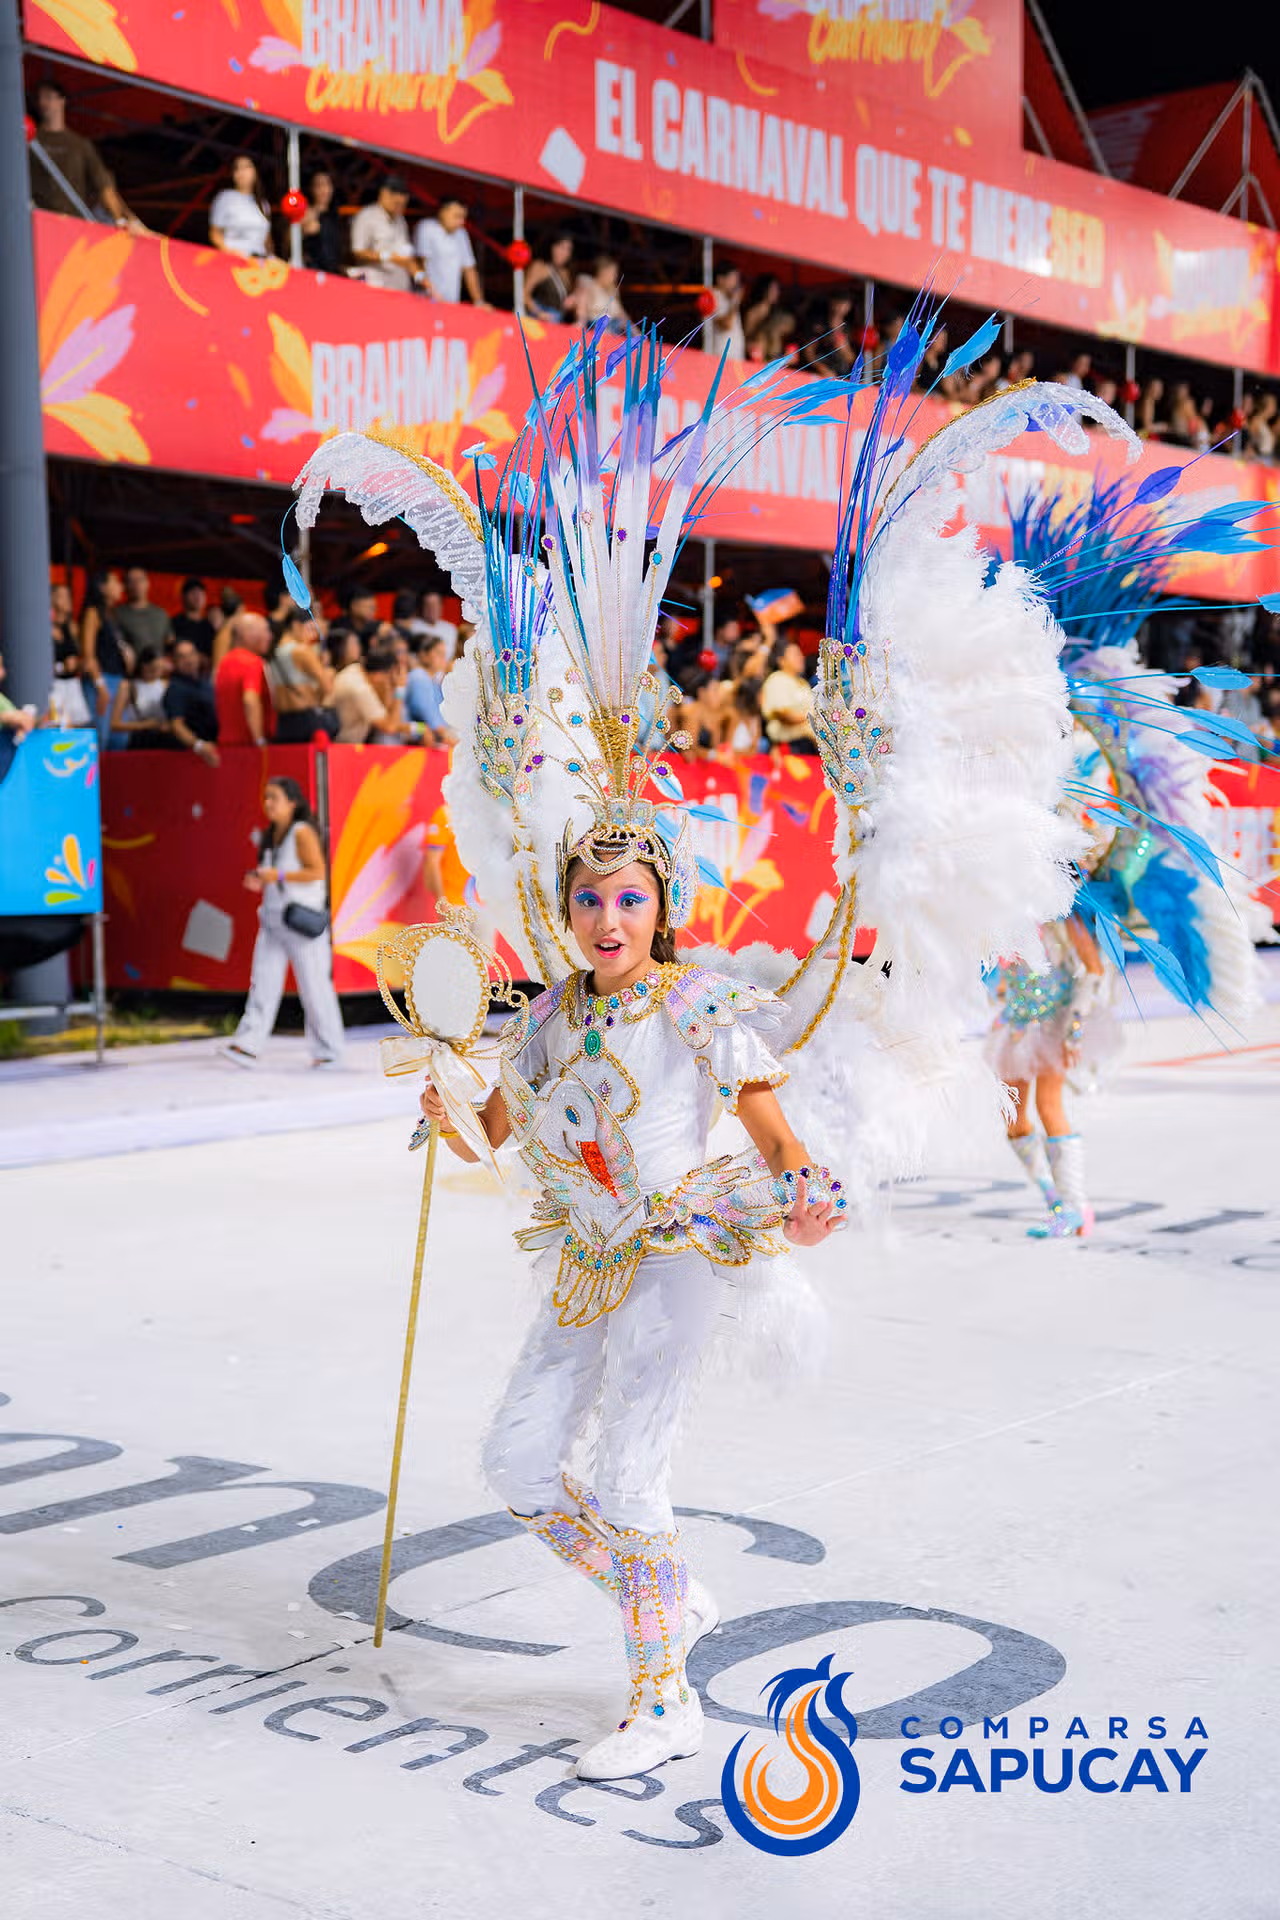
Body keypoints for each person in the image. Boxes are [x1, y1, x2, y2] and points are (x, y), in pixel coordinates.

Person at [988, 916, 1108, 1237]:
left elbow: (1094, 968)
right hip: (1017, 1026)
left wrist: (1076, 1023)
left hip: (1055, 1024)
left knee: (1048, 1105)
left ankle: (1075, 1206)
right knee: (1012, 1117)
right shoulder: (1004, 910)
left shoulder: (1063, 912)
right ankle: (1056, 1203)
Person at [222, 777, 344, 1069]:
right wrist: (261, 880)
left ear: (293, 802)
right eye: (266, 797)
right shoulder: (271, 834)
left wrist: (276, 876)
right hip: (274, 919)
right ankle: (248, 1044)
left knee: (314, 988)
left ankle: (329, 1049)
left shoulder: (301, 832)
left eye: (274, 797)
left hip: (301, 921)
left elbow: (317, 872)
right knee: (262, 983)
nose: (268, 804)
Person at [28, 77, 144, 230]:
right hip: (38, 222)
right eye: (40, 98)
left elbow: (104, 185)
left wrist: (119, 219)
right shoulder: (30, 140)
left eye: (48, 97)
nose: (43, 103)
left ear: (62, 100)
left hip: (73, 225)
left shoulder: (80, 145)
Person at [78, 568, 132, 748]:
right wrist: (100, 686)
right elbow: (88, 654)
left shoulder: (113, 615)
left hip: (118, 680)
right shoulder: (93, 612)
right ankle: (95, 776)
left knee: (120, 738)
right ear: (102, 587)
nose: (120, 586)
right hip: (100, 681)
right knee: (100, 737)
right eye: (115, 582)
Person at [266, 609, 337, 741]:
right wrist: (327, 671)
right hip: (305, 720)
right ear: (296, 625)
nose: (312, 636)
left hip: (281, 721)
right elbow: (327, 687)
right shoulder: (302, 651)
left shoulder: (273, 652)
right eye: (310, 629)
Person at [213, 610, 273, 747]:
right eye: (265, 631)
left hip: (226, 743)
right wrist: (259, 740)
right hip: (248, 744)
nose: (269, 636)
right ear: (247, 635)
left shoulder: (224, 663)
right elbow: (250, 700)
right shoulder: (252, 662)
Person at [413, 197, 488, 306]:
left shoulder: (461, 234)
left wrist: (479, 301)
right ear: (443, 212)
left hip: (450, 303)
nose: (461, 222)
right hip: (426, 299)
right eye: (457, 216)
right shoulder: (427, 227)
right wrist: (429, 290)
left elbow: (469, 269)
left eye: (463, 217)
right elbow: (420, 263)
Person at [349, 176, 419, 291]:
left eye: (403, 205)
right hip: (375, 285)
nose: (399, 209)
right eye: (397, 204)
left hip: (400, 287)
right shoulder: (366, 216)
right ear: (384, 194)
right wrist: (389, 257)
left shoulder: (401, 221)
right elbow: (358, 251)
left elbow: (407, 257)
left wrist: (421, 277)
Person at [331, 645, 410, 742]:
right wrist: (400, 689)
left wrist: (417, 728)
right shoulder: (360, 689)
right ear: (379, 675)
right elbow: (390, 727)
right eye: (389, 677)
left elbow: (386, 711)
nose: (389, 681)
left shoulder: (356, 669)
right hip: (341, 747)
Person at [164, 638, 220, 765]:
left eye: (191, 654)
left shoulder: (205, 682)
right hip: (191, 759)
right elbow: (177, 725)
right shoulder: (176, 689)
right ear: (174, 661)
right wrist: (199, 745)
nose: (189, 660)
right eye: (182, 657)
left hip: (216, 748)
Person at [209, 154, 274, 260]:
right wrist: (229, 252)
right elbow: (215, 234)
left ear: (255, 171)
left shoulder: (263, 204)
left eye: (246, 167)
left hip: (259, 263)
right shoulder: (225, 198)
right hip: (233, 259)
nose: (241, 172)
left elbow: (267, 240)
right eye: (237, 168)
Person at [759, 635, 815, 751]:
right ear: (781, 661)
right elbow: (784, 714)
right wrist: (814, 717)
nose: (801, 658)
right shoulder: (777, 679)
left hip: (809, 744)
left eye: (800, 654)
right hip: (790, 746)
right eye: (795, 655)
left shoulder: (802, 682)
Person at [109, 646, 171, 748]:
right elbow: (114, 724)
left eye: (160, 669)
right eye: (153, 669)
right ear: (143, 666)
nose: (156, 673)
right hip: (138, 737)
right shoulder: (129, 686)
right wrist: (145, 725)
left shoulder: (166, 684)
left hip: (162, 735)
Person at [404, 633, 456, 743]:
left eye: (444, 654)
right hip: (418, 741)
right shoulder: (419, 677)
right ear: (423, 655)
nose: (443, 658)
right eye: (438, 653)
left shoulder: (432, 680)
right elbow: (429, 716)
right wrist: (452, 741)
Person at [116, 567, 171, 657]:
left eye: (140, 580)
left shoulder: (161, 613)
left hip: (159, 668)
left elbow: (169, 642)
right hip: (130, 668)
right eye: (131, 581)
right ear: (124, 586)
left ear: (148, 583)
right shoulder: (117, 614)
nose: (136, 585)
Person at [567, 255, 628, 333]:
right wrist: (580, 322)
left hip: (614, 330)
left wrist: (636, 333)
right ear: (602, 271)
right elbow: (582, 305)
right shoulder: (588, 284)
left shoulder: (613, 290)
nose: (615, 276)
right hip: (596, 329)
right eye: (612, 272)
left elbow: (622, 314)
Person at [300, 167, 344, 274]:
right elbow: (292, 242)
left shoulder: (335, 216)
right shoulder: (307, 213)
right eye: (319, 185)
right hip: (313, 272)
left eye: (327, 184)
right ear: (311, 189)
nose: (324, 190)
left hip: (333, 273)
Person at [523, 233, 574, 321]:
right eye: (561, 247)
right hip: (538, 320)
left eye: (568, 249)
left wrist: (571, 303)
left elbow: (562, 301)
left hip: (557, 321)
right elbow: (524, 294)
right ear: (552, 247)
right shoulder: (539, 267)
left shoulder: (565, 273)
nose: (564, 253)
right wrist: (538, 313)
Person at [171, 578, 217, 662]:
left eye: (201, 593)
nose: (198, 597)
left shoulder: (208, 626)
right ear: (183, 596)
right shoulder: (175, 623)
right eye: (193, 593)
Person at [708, 262, 745, 359]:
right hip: (720, 355)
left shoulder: (728, 298)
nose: (736, 284)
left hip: (733, 356)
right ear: (720, 279)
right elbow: (726, 324)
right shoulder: (713, 296)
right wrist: (735, 302)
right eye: (732, 279)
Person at [416, 589, 459, 662]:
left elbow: (451, 657)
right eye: (428, 605)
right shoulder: (413, 627)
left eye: (435, 604)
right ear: (422, 607)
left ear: (441, 606)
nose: (431, 609)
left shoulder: (451, 629)